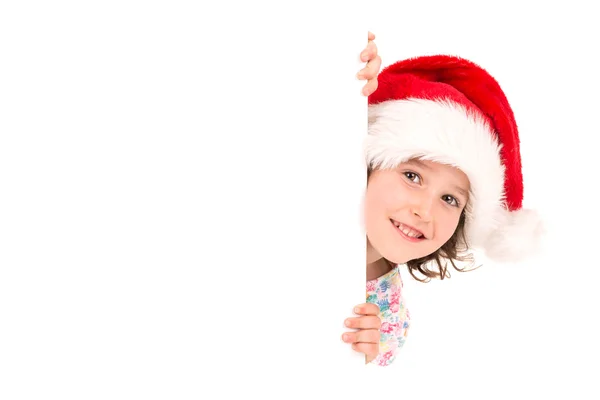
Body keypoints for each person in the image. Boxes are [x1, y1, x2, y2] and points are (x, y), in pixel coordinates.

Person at [351, 33, 544, 366]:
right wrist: (349, 71)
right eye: (412, 176)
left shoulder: (387, 312)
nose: (424, 210)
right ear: (369, 168)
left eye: (451, 199)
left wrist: (360, 357)